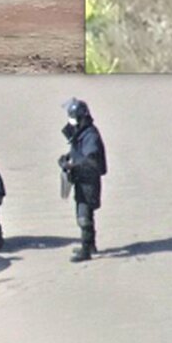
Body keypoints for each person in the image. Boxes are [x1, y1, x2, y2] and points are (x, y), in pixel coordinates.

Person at [59, 98, 107, 263]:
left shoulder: (90, 135)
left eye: (72, 116)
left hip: (89, 181)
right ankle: (90, 244)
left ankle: (86, 250)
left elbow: (91, 159)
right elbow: (77, 152)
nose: (70, 120)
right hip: (82, 179)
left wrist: (73, 165)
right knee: (84, 211)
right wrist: (67, 158)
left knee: (84, 215)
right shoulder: (81, 132)